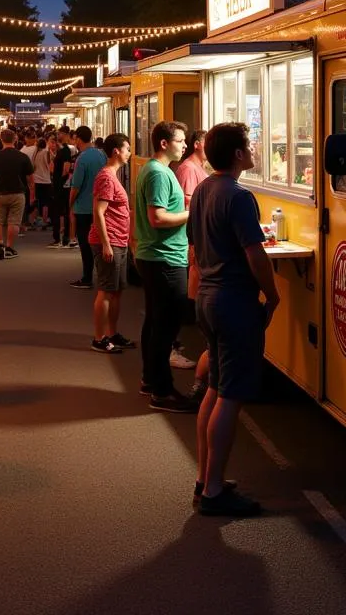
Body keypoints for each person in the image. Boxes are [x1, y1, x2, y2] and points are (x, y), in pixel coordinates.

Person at [192, 122, 278, 517]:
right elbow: (255, 254)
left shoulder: (204, 190)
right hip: (234, 301)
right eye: (250, 144)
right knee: (230, 396)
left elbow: (195, 246)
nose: (254, 148)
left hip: (209, 298)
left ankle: (205, 477)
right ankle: (213, 491)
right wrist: (272, 295)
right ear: (239, 154)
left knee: (214, 388)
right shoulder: (239, 196)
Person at [134, 120, 197, 413]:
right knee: (165, 328)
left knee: (155, 323)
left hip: (154, 256)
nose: (185, 145)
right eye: (180, 140)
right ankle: (161, 391)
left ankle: (150, 379)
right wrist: (191, 212)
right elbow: (158, 217)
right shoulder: (159, 174)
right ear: (164, 143)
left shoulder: (154, 169)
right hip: (165, 258)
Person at [88, 133, 136, 354]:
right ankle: (99, 338)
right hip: (109, 240)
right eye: (127, 148)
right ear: (116, 150)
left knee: (116, 291)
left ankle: (112, 333)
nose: (129, 152)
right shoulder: (107, 177)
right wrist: (106, 244)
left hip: (119, 240)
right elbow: (98, 212)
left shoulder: (112, 175)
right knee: (106, 291)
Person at [172, 128, 211, 390]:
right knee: (187, 293)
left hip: (196, 240)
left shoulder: (198, 168)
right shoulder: (188, 169)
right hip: (191, 241)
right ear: (199, 145)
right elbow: (188, 203)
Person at [0, 128, 35, 260]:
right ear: (15, 140)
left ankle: (0, 243)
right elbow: (31, 179)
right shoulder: (23, 157)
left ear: (1, 140)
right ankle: (9, 247)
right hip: (18, 193)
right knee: (14, 222)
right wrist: (32, 194)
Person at [68, 126, 107, 289]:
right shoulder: (101, 154)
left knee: (85, 243)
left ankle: (87, 277)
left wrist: (70, 204)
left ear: (78, 139)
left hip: (84, 207)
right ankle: (104, 276)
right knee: (101, 241)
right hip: (102, 206)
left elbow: (76, 186)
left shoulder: (82, 159)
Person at [48, 127, 74, 248]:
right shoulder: (63, 150)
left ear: (64, 134)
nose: (58, 135)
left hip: (61, 186)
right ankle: (63, 238)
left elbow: (66, 169)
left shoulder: (66, 151)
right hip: (61, 185)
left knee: (59, 212)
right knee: (62, 212)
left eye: (60, 133)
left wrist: (60, 180)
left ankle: (61, 238)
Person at [31, 136, 53, 229]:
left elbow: (33, 167)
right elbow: (51, 166)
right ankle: (44, 220)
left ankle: (33, 220)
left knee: (36, 200)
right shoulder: (47, 153)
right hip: (46, 180)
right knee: (45, 202)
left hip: (36, 180)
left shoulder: (36, 154)